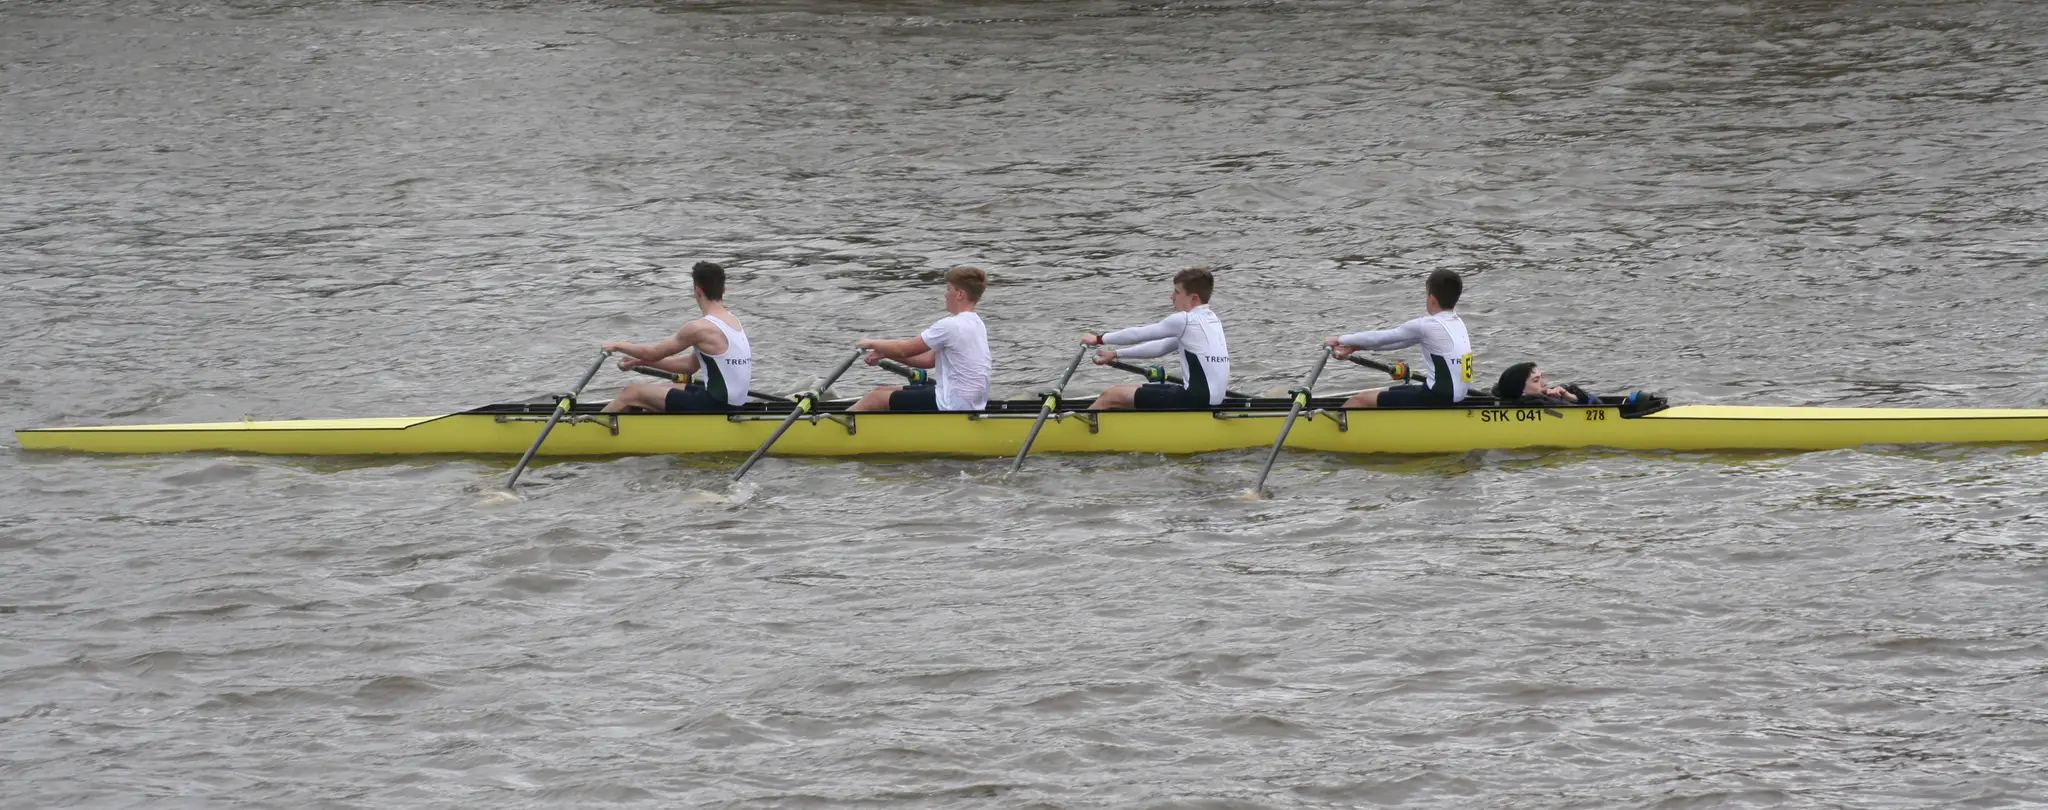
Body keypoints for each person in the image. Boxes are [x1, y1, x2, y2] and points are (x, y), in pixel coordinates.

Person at [598, 261, 753, 413]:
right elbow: (690, 366)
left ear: (697, 291)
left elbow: (653, 352)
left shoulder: (699, 328)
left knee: (632, 392)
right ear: (723, 290)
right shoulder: (733, 321)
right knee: (660, 389)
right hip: (731, 403)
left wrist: (618, 345)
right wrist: (641, 361)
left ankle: (589, 430)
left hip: (716, 406)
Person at [1081, 267, 1230, 410]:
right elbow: (1160, 348)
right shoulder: (1212, 320)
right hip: (1209, 399)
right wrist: (1115, 354)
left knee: (1110, 395)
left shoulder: (1185, 320)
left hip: (1193, 399)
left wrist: (1099, 339)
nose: (1171, 297)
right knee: (1126, 389)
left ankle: (1079, 431)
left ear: (1194, 298)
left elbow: (1139, 334)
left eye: (1177, 292)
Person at [848, 266, 992, 412]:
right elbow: (928, 360)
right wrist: (886, 353)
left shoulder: (951, 325)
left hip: (951, 404)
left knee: (874, 399)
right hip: (967, 401)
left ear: (960, 294)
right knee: (881, 391)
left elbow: (904, 350)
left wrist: (871, 343)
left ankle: (832, 429)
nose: (945, 295)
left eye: (948, 289)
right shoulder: (976, 324)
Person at [1323, 269, 1472, 408]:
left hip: (1437, 397)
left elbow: (1382, 337)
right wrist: (1356, 347)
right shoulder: (1458, 323)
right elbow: (1399, 342)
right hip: (1453, 396)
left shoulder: (1428, 325)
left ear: (1432, 299)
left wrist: (1340, 339)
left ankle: (1331, 432)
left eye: (1426, 294)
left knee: (1358, 400)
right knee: (1386, 391)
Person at [1492, 362, 1596, 405]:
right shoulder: (1541, 402)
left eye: (1542, 377)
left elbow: (1596, 405)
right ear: (1520, 390)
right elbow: (1596, 405)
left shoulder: (1551, 397)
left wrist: (1570, 396)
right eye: (1536, 380)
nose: (1544, 383)